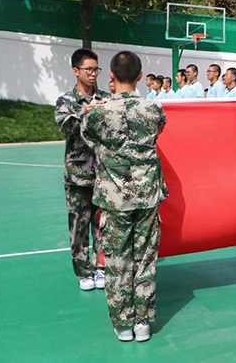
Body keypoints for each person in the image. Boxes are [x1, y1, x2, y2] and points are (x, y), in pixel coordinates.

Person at [81, 50, 167, 342]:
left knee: (117, 260)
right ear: (141, 76)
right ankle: (142, 321)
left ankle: (123, 323)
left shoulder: (98, 112)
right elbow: (158, 131)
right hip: (148, 194)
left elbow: (89, 138)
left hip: (115, 196)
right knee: (145, 258)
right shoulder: (154, 109)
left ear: (111, 76)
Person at [54, 48, 108, 292]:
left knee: (102, 224)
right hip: (77, 176)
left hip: (103, 173)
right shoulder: (66, 101)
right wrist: (82, 112)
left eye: (96, 69)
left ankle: (100, 267)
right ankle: (83, 271)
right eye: (89, 69)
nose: (93, 74)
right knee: (78, 225)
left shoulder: (105, 98)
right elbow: (65, 128)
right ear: (76, 71)